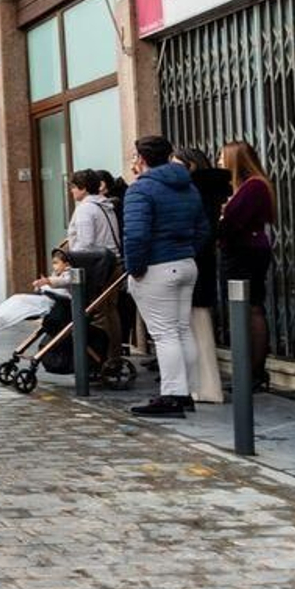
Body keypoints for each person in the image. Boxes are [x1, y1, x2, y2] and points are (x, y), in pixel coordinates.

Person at [121, 136, 207, 417]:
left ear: (141, 159)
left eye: (134, 157)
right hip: (185, 263)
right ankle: (186, 393)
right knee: (181, 330)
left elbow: (135, 234)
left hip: (157, 266)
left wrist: (134, 268)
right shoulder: (188, 186)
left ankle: (171, 395)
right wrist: (186, 250)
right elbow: (202, 228)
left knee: (165, 333)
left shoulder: (141, 190)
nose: (133, 162)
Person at [217, 140, 275, 389]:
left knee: (250, 308)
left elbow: (232, 221)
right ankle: (250, 371)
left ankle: (254, 372)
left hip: (246, 253)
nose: (219, 160)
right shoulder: (247, 186)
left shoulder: (253, 187)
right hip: (244, 251)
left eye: (222, 156)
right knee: (248, 308)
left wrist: (222, 216)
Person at [175, 148, 228, 404]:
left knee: (199, 325)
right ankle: (200, 385)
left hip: (197, 265)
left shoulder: (200, 191)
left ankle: (207, 387)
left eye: (177, 164)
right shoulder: (202, 190)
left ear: (191, 166)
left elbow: (202, 231)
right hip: (196, 264)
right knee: (194, 326)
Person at [65, 170, 121, 257]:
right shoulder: (105, 205)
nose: (71, 191)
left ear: (83, 188)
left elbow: (85, 244)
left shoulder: (85, 209)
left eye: (73, 187)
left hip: (95, 265)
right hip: (112, 261)